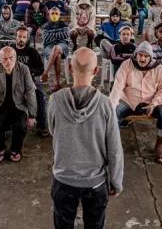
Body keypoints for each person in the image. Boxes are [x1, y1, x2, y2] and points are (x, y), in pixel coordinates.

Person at [48, 47, 123, 229]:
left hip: (63, 179)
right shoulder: (105, 105)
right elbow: (114, 148)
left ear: (69, 68)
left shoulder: (55, 100)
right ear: (96, 71)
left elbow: (53, 130)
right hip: (95, 183)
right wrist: (116, 181)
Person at [110, 41, 162, 164]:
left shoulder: (158, 68)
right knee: (112, 114)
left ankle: (159, 146)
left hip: (151, 101)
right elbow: (117, 87)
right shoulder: (126, 64)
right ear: (136, 54)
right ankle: (113, 147)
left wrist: (154, 103)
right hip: (129, 100)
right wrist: (112, 104)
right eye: (140, 55)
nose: (142, 58)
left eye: (146, 56)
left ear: (151, 57)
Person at [0, 46, 37, 163]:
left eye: (11, 58)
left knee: (21, 126)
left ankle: (15, 150)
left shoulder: (24, 69)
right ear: (0, 59)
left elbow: (30, 92)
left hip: (18, 106)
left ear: (16, 58)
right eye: (4, 59)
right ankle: (0, 148)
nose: (8, 61)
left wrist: (32, 115)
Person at [13, 26, 48, 137]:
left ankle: (41, 127)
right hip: (13, 82)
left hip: (30, 82)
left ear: (27, 38)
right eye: (19, 36)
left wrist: (31, 72)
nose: (21, 39)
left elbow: (41, 69)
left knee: (40, 96)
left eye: (24, 37)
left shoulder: (32, 52)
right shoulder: (10, 50)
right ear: (15, 37)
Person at [42, 7, 72, 92]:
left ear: (59, 15)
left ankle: (46, 72)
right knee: (57, 56)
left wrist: (52, 35)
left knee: (56, 48)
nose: (54, 15)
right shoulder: (46, 26)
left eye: (56, 14)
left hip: (62, 46)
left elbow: (66, 35)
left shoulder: (64, 24)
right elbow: (45, 38)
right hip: (48, 47)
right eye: (52, 14)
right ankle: (58, 84)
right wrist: (58, 35)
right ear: (49, 15)